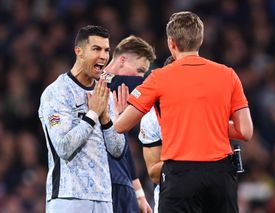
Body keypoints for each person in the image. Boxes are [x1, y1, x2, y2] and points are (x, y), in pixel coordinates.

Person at [114, 11, 253, 213]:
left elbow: (121, 126)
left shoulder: (158, 78)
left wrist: (119, 114)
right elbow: (245, 131)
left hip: (180, 176)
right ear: (201, 39)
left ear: (171, 43)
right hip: (220, 175)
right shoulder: (228, 75)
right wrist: (207, 125)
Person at [38, 25, 126, 213]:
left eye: (106, 50)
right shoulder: (56, 93)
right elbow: (63, 146)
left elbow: (117, 150)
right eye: (96, 49)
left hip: (103, 197)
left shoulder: (104, 93)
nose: (103, 56)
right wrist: (93, 114)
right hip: (67, 197)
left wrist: (105, 118)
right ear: (79, 51)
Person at [102, 35, 156, 213]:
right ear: (122, 60)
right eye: (140, 70)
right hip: (104, 185)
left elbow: (123, 147)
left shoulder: (119, 93)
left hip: (122, 183)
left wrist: (139, 193)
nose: (140, 78)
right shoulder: (97, 82)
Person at [138, 56, 174, 213]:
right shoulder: (152, 118)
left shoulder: (205, 107)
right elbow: (153, 173)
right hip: (172, 198)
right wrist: (189, 161)